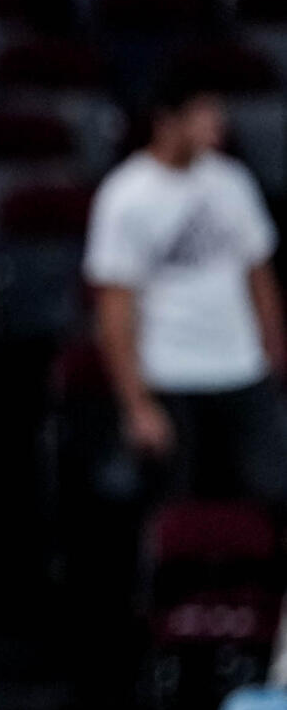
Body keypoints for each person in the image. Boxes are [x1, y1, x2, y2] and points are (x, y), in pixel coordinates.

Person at [86, 68, 287, 506]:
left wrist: (275, 354)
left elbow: (260, 277)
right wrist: (137, 404)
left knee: (268, 500)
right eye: (204, 113)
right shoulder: (125, 196)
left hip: (242, 370)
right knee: (177, 508)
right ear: (168, 120)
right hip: (171, 375)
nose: (218, 123)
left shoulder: (233, 182)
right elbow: (115, 308)